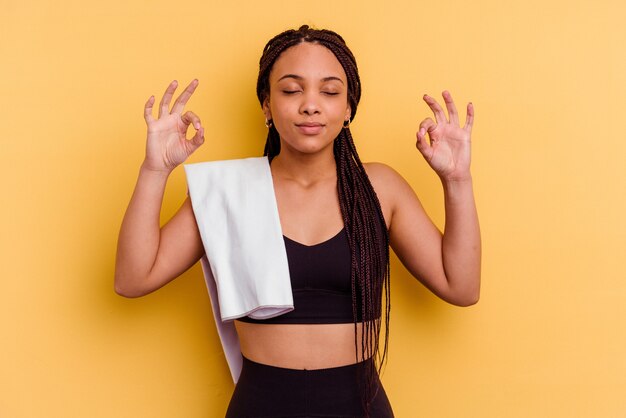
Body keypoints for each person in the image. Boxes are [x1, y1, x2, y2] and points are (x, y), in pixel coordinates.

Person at [115, 25, 480, 418]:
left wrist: (456, 179)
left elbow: (461, 286)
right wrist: (155, 170)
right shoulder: (227, 192)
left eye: (329, 91)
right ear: (267, 106)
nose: (310, 105)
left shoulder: (380, 188)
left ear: (349, 108)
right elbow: (133, 279)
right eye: (291, 90)